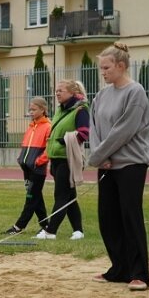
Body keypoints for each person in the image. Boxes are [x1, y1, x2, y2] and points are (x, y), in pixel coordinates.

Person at [88, 42, 149, 291]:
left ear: (121, 66)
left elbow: (123, 131)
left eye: (106, 68)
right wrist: (98, 156)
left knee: (130, 216)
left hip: (131, 164)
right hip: (105, 164)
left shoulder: (135, 92)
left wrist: (100, 154)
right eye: (101, 68)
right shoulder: (102, 95)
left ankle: (139, 274)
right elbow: (95, 127)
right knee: (108, 218)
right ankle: (119, 269)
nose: (102, 72)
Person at [35, 80, 90, 241]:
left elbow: (84, 133)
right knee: (69, 196)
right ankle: (78, 230)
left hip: (68, 159)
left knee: (61, 195)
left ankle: (50, 231)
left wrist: (64, 140)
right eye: (56, 90)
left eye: (61, 90)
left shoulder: (81, 109)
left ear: (72, 93)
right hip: (56, 159)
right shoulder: (60, 109)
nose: (57, 93)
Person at [3, 97, 51, 235]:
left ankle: (19, 226)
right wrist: (21, 158)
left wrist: (39, 161)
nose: (31, 112)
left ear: (43, 110)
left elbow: (49, 149)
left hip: (38, 169)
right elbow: (25, 145)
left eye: (34, 109)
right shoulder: (31, 126)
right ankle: (46, 224)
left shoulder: (48, 126)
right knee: (36, 198)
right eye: (30, 109)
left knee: (31, 198)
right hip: (26, 168)